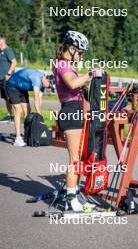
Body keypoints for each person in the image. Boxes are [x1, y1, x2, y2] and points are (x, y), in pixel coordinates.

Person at [54, 31, 102, 212]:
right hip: (70, 112)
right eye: (80, 52)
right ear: (71, 48)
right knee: (75, 159)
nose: (81, 56)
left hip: (76, 111)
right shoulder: (62, 65)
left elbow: (78, 83)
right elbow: (73, 84)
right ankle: (71, 199)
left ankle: (75, 194)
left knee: (80, 158)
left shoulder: (68, 65)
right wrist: (91, 73)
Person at [6, 68, 50, 146]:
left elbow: (40, 99)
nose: (47, 88)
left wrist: (40, 114)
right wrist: (40, 116)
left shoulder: (43, 84)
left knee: (28, 112)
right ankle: (18, 138)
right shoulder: (37, 79)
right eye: (48, 86)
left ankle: (27, 136)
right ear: (47, 80)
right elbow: (36, 99)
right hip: (12, 85)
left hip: (22, 88)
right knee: (18, 109)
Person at [0, 34, 16, 122]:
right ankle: (10, 115)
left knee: (10, 97)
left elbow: (14, 62)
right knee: (5, 98)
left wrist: (9, 74)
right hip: (1, 79)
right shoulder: (0, 51)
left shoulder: (7, 50)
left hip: (7, 79)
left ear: (2, 40)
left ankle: (14, 116)